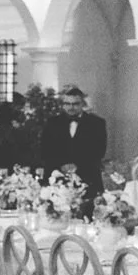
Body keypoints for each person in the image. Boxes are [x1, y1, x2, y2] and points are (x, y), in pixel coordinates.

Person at [40, 84, 107, 212]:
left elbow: (99, 151)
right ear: (63, 104)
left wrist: (77, 165)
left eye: (75, 104)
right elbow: (45, 150)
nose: (71, 107)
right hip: (57, 180)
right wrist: (62, 165)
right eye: (67, 104)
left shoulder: (97, 123)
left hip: (88, 178)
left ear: (82, 104)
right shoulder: (52, 123)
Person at [0, 98, 31, 172]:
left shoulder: (3, 125)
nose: (22, 110)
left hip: (7, 155)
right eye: (20, 107)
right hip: (11, 154)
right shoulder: (10, 125)